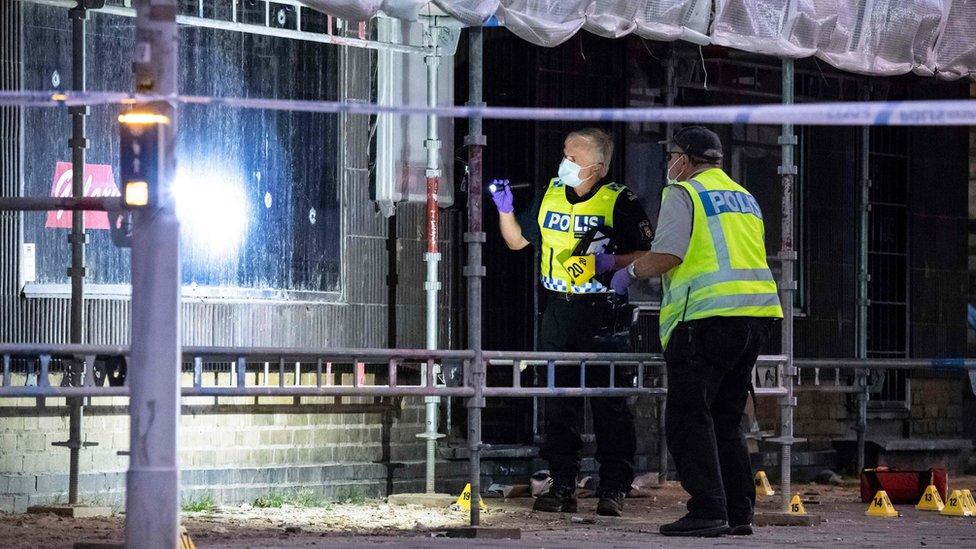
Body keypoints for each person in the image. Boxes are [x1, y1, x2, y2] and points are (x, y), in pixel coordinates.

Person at [611, 126, 783, 537]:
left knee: (689, 416)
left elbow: (669, 254)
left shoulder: (683, 193)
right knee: (726, 418)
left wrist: (628, 273)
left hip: (705, 320)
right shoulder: (745, 197)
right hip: (755, 316)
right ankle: (739, 512)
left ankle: (708, 508)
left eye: (671, 156)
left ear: (684, 159)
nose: (669, 164)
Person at [487, 128, 654, 517]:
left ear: (597, 167)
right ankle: (562, 485)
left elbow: (649, 255)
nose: (565, 163)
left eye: (574, 159)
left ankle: (613, 487)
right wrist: (505, 209)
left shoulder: (620, 201)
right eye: (565, 154)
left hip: (603, 312)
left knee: (609, 404)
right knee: (558, 402)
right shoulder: (549, 194)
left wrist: (606, 263)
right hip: (558, 309)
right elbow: (516, 242)